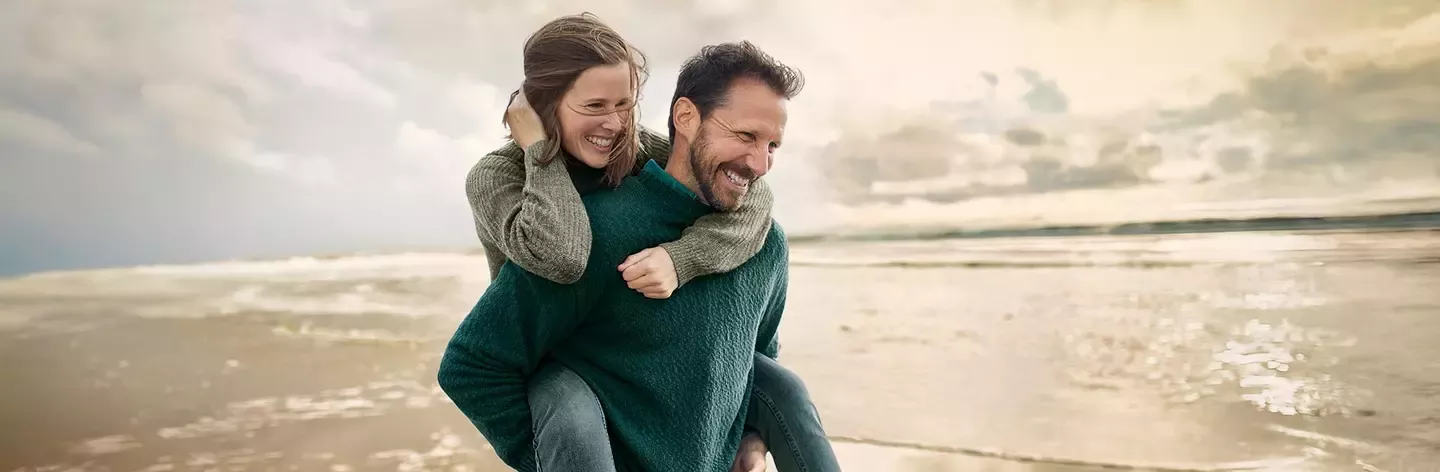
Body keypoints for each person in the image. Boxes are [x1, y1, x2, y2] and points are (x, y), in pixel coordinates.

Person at [439, 30, 839, 472]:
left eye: (624, 105)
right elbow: (561, 259)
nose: (613, 123)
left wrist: (751, 435)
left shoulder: (638, 152)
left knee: (784, 385)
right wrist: (551, 459)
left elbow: (750, 196)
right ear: (542, 107)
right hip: (545, 352)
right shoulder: (505, 178)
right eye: (593, 106)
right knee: (564, 398)